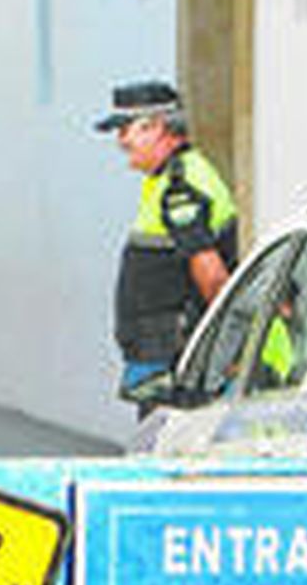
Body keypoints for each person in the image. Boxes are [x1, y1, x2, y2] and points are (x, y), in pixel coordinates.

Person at [94, 80, 238, 401]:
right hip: (161, 367)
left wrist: (232, 354)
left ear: (156, 127)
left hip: (177, 369)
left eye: (125, 130)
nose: (121, 142)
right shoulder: (168, 179)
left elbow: (213, 277)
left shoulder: (180, 187)